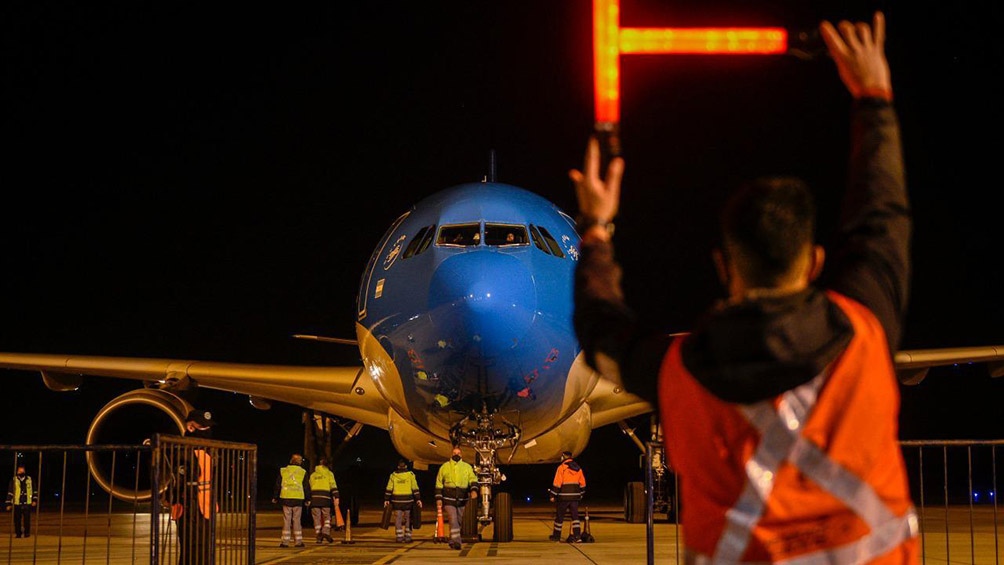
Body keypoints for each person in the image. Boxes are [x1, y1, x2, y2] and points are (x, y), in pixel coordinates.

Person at [570, 11, 919, 563]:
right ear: (815, 261)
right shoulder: (864, 331)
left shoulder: (679, 370)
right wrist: (873, 96)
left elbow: (598, 326)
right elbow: (883, 214)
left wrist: (596, 228)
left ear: (723, 266)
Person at [172, 409, 216, 565]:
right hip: (189, 509)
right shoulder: (184, 450)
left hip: (204, 510)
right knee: (191, 550)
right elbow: (181, 479)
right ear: (190, 427)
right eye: (202, 427)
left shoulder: (206, 449)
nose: (206, 431)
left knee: (203, 550)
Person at [434, 445, 478, 550]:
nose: (456, 455)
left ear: (461, 455)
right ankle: (457, 542)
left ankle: (452, 539)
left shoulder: (467, 467)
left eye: (458, 453)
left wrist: (474, 490)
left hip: (462, 499)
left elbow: (473, 479)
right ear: (451, 454)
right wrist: (439, 499)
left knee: (458, 521)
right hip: (449, 498)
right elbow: (439, 484)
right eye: (454, 453)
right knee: (453, 519)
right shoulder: (444, 467)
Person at [547, 450, 586, 543]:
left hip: (563, 497)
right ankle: (577, 537)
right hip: (574, 497)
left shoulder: (561, 468)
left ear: (564, 457)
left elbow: (557, 483)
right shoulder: (578, 468)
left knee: (559, 518)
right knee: (575, 517)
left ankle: (556, 537)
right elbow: (583, 483)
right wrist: (581, 494)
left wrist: (552, 495)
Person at [272, 453, 310, 548]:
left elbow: (278, 484)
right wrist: (308, 499)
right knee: (297, 520)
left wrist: (275, 497)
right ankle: (298, 542)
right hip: (298, 499)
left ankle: (285, 542)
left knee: (286, 520)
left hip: (286, 498)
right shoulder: (303, 472)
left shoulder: (283, 470)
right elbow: (306, 487)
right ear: (299, 462)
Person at [384, 459, 422, 543]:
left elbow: (389, 488)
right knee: (408, 518)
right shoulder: (410, 475)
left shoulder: (393, 476)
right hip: (408, 501)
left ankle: (399, 537)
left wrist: (386, 499)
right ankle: (408, 537)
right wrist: (418, 499)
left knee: (398, 518)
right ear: (406, 466)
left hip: (396, 501)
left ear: (398, 466)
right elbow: (415, 488)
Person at [308, 457, 339, 544]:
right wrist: (336, 497)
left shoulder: (313, 475)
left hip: (314, 499)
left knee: (316, 519)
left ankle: (318, 536)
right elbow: (333, 485)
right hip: (325, 499)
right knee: (327, 517)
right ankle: (325, 532)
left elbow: (309, 487)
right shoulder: (329, 474)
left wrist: (308, 499)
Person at [5, 465, 38, 539]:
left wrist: (34, 500)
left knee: (27, 520)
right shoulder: (14, 480)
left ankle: (27, 533)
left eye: (22, 471)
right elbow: (10, 492)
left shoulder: (30, 479)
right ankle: (18, 533)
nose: (21, 472)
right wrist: (8, 504)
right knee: (17, 520)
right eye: (20, 471)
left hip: (27, 502)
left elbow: (35, 490)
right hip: (17, 503)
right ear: (17, 472)